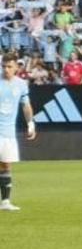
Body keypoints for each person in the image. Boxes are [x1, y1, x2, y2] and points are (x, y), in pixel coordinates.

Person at [0, 56, 36, 211]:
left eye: (9, 66)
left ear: (16, 68)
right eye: (4, 66)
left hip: (8, 132)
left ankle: (5, 202)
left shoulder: (21, 85)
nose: (6, 69)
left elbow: (26, 106)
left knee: (5, 165)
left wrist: (30, 124)